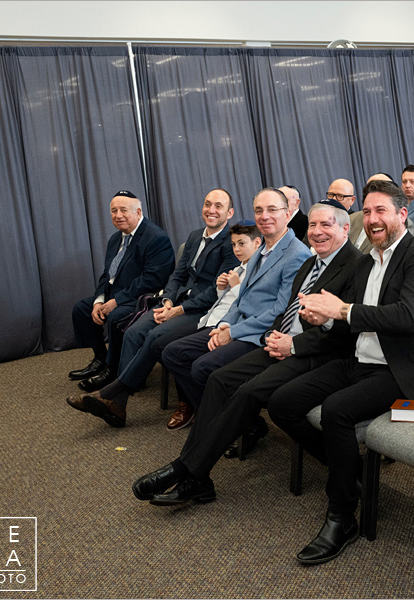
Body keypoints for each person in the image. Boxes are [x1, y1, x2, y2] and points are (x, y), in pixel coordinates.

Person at [267, 179, 414, 565]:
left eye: (381, 210)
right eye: (366, 212)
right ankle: (352, 473)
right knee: (282, 402)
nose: (371, 219)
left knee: (336, 411)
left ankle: (342, 517)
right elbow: (348, 320)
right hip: (358, 360)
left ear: (402, 214)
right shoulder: (367, 261)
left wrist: (340, 310)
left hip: (402, 371)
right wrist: (324, 317)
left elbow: (406, 317)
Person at [130, 201, 361, 505]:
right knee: (219, 379)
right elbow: (285, 311)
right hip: (281, 342)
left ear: (345, 228)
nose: (317, 232)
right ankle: (195, 474)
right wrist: (274, 336)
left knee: (248, 392)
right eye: (313, 225)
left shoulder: (356, 266)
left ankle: (187, 470)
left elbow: (347, 333)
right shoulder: (312, 263)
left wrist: (293, 345)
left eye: (326, 225)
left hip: (315, 353)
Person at [65, 189, 238, 425]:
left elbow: (217, 290)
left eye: (218, 206)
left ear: (230, 213)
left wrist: (179, 310)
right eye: (208, 204)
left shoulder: (232, 242)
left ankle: (113, 396)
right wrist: (168, 300)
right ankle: (118, 402)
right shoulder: (195, 236)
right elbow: (177, 275)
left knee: (156, 336)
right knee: (134, 331)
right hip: (176, 302)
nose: (211, 210)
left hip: (202, 309)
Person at [157, 188, 311, 429]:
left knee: (203, 368)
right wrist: (224, 325)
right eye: (259, 210)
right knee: (173, 353)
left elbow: (280, 312)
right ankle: (235, 422)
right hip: (237, 324)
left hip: (258, 333)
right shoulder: (262, 249)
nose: (264, 216)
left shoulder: (297, 254)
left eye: (272, 210)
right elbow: (240, 298)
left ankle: (230, 424)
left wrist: (233, 332)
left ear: (287, 213)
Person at [68, 191, 174, 390]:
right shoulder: (115, 239)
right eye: (113, 211)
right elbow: (108, 274)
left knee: (117, 317)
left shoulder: (156, 238)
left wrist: (117, 300)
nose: (118, 215)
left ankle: (113, 369)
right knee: (82, 310)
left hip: (142, 298)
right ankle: (101, 359)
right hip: (116, 295)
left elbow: (153, 280)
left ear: (138, 212)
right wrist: (99, 300)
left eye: (123, 210)